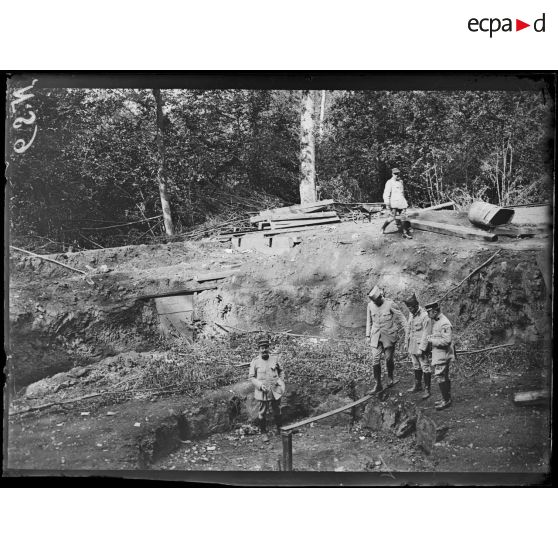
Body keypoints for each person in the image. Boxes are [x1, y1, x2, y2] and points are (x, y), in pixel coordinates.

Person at [366, 286, 407, 394]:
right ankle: (378, 384)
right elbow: (369, 321)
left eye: (377, 300)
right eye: (374, 301)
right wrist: (367, 336)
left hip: (388, 336)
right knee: (375, 359)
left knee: (388, 359)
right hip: (375, 336)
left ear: (380, 297)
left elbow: (401, 317)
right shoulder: (370, 305)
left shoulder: (390, 304)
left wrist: (408, 331)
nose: (375, 303)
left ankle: (390, 377)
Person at [248, 334, 285, 441]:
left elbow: (281, 371)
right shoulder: (255, 362)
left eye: (266, 348)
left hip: (274, 390)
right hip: (262, 391)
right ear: (259, 349)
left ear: (269, 348)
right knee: (262, 412)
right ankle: (263, 432)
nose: (264, 350)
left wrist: (280, 381)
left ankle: (279, 429)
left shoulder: (274, 359)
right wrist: (259, 385)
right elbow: (251, 377)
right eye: (262, 348)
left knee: (277, 410)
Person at [425, 301, 455, 410]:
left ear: (435, 311)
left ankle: (446, 400)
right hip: (439, 353)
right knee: (443, 376)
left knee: (440, 376)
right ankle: (446, 398)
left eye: (429, 312)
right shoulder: (437, 321)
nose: (428, 314)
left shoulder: (444, 323)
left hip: (443, 354)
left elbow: (447, 341)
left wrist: (431, 340)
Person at [403, 293, 432, 399]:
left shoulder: (425, 316)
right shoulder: (411, 314)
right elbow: (408, 329)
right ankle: (418, 385)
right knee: (416, 365)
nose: (409, 310)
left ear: (416, 306)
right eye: (408, 308)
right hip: (412, 345)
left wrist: (422, 348)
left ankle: (427, 389)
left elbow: (427, 334)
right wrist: (406, 343)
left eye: (411, 308)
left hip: (421, 346)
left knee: (425, 366)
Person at [382, 167, 413, 239]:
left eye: (398, 174)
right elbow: (386, 194)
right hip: (394, 204)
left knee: (403, 218)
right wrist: (387, 204)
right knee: (392, 218)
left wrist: (405, 201)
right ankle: (383, 227)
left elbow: (403, 193)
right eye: (395, 174)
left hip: (401, 203)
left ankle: (404, 233)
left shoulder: (401, 182)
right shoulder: (389, 182)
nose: (397, 175)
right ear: (392, 174)